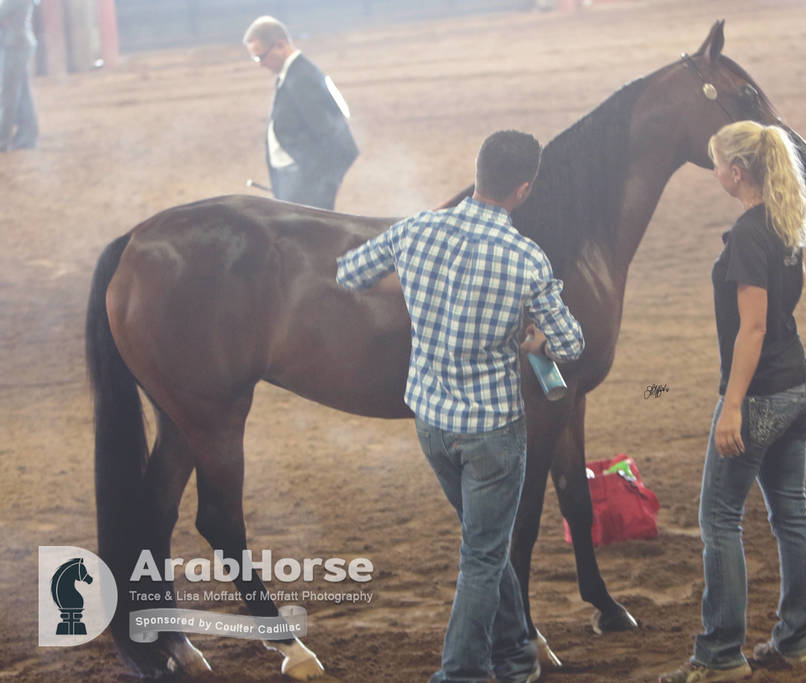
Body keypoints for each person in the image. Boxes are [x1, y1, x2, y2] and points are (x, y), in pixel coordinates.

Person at [336, 130, 584, 683]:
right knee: (483, 556)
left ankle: (516, 657)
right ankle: (461, 673)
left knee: (484, 543)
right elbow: (571, 345)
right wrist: (536, 340)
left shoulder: (418, 228)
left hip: (431, 422)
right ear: (523, 189)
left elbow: (350, 274)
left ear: (478, 172)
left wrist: (421, 293)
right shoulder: (526, 259)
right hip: (492, 430)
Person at [660, 121, 806, 683]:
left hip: (761, 395)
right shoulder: (784, 220)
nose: (713, 174)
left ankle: (721, 655)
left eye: (716, 165)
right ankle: (798, 640)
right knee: (791, 513)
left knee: (720, 520)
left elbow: (750, 330)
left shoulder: (750, 234)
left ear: (736, 172)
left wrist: (732, 407)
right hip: (798, 384)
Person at [243, 16, 358, 210]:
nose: (260, 63)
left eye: (260, 56)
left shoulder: (303, 78)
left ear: (280, 45)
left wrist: (317, 186)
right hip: (295, 182)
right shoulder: (292, 74)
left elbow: (331, 134)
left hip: (306, 187)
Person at [0, 0, 39, 152]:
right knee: (23, 95)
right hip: (19, 43)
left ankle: (2, 140)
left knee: (9, 94)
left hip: (15, 44)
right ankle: (27, 136)